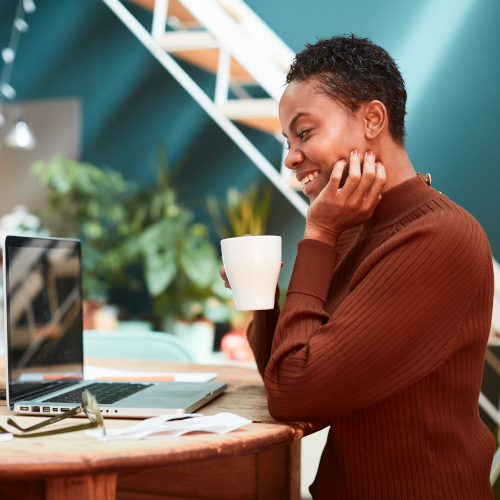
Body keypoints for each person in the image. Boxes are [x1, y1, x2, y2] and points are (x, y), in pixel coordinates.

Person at [220, 34, 494, 499]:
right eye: (287, 140)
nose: (290, 158)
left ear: (372, 119)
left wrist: (319, 234)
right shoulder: (352, 229)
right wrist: (262, 295)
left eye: (304, 133)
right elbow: (285, 377)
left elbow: (295, 395)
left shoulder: (439, 239)